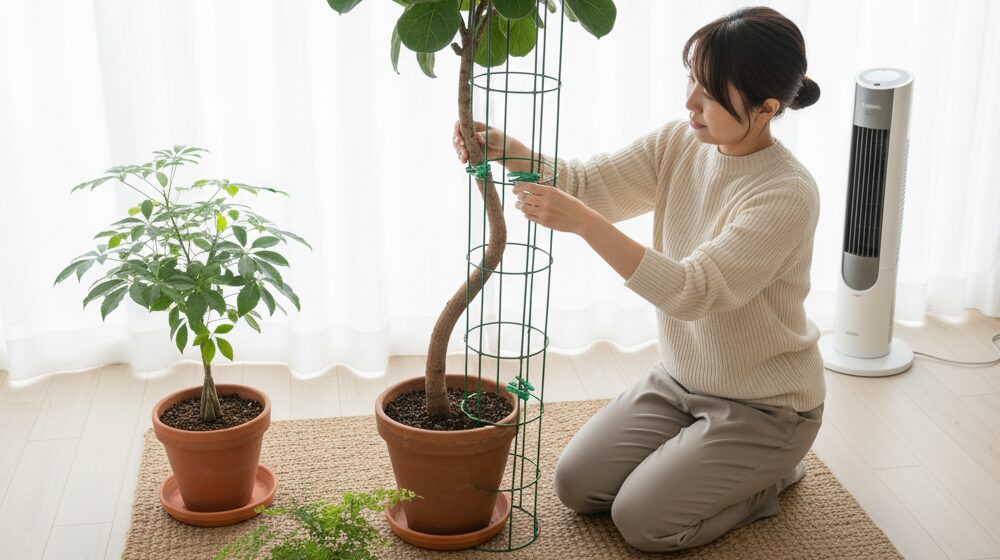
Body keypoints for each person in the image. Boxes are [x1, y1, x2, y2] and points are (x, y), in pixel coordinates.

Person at [453, 5, 824, 553]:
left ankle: (767, 480)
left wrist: (583, 224)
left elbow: (693, 291)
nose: (690, 103)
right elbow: (588, 182)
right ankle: (697, 451)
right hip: (679, 382)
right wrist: (515, 153)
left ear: (768, 108)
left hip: (766, 407)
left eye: (711, 93)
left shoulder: (786, 193)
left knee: (642, 522)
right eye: (692, 81)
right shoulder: (681, 142)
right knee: (576, 487)